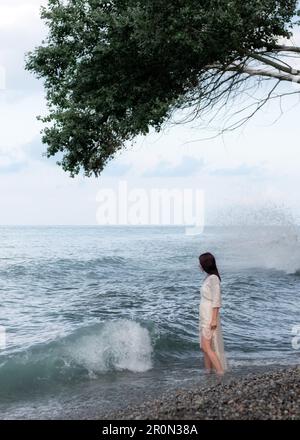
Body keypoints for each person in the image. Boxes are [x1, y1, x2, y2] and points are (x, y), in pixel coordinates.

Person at [199, 252, 228, 375]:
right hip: (204, 315)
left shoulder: (214, 279)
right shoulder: (208, 277)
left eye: (200, 263)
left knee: (206, 346)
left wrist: (214, 319)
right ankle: (208, 372)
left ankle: (220, 373)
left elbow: (216, 300)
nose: (198, 265)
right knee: (204, 347)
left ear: (205, 264)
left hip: (209, 316)